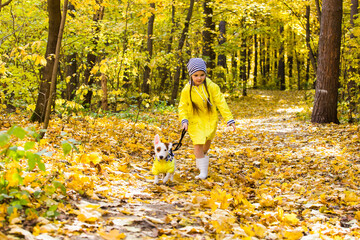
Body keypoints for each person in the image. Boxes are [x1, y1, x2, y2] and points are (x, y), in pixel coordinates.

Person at [178, 58, 236, 180]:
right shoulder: (186, 90)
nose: (199, 78)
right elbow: (182, 107)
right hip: (194, 120)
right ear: (191, 75)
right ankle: (203, 172)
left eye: (202, 75)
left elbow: (221, 102)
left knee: (206, 145)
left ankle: (201, 162)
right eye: (196, 75)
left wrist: (229, 119)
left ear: (205, 74)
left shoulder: (212, 87)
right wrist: (184, 120)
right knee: (198, 145)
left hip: (210, 120)